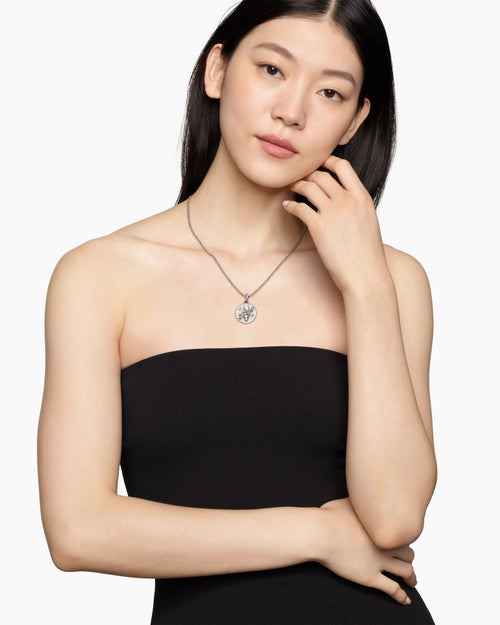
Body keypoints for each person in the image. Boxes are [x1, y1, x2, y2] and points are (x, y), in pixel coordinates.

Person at [37, 0, 438, 623]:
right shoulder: (98, 276)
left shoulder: (392, 280)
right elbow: (77, 531)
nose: (292, 111)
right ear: (217, 70)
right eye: (273, 70)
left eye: (330, 93)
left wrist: (365, 286)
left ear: (355, 121)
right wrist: (315, 533)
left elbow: (395, 517)